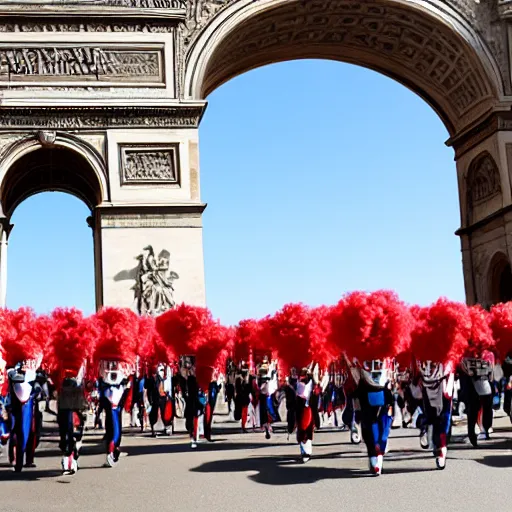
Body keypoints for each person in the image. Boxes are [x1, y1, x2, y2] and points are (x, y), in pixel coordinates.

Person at [343, 356, 393, 476]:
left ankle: (378, 454)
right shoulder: (360, 375)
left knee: (383, 432)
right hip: (366, 400)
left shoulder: (386, 376)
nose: (374, 367)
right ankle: (374, 455)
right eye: (371, 364)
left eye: (377, 364)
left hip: (383, 400)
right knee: (370, 432)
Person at [414, 359, 454, 469]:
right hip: (426, 381)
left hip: (443, 381)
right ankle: (424, 425)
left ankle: (441, 447)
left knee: (444, 417)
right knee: (430, 415)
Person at [57, 364, 88, 475]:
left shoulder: (83, 358)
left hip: (78, 396)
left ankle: (72, 455)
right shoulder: (60, 358)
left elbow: (88, 373)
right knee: (65, 429)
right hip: (64, 398)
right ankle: (68, 457)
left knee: (77, 429)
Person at [460, 352, 494, 446]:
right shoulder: (464, 354)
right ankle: (473, 433)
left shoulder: (488, 353)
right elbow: (462, 367)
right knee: (473, 409)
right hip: (471, 383)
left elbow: (491, 371)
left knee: (485, 407)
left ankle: (484, 429)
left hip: (484, 381)